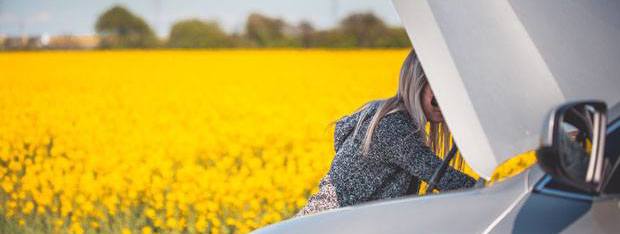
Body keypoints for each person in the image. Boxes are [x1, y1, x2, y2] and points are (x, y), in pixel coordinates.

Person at [297, 49, 476, 216]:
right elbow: (445, 179)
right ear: (417, 83)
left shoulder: (391, 118)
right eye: (439, 89)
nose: (446, 98)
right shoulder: (393, 126)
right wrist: (492, 193)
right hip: (327, 226)